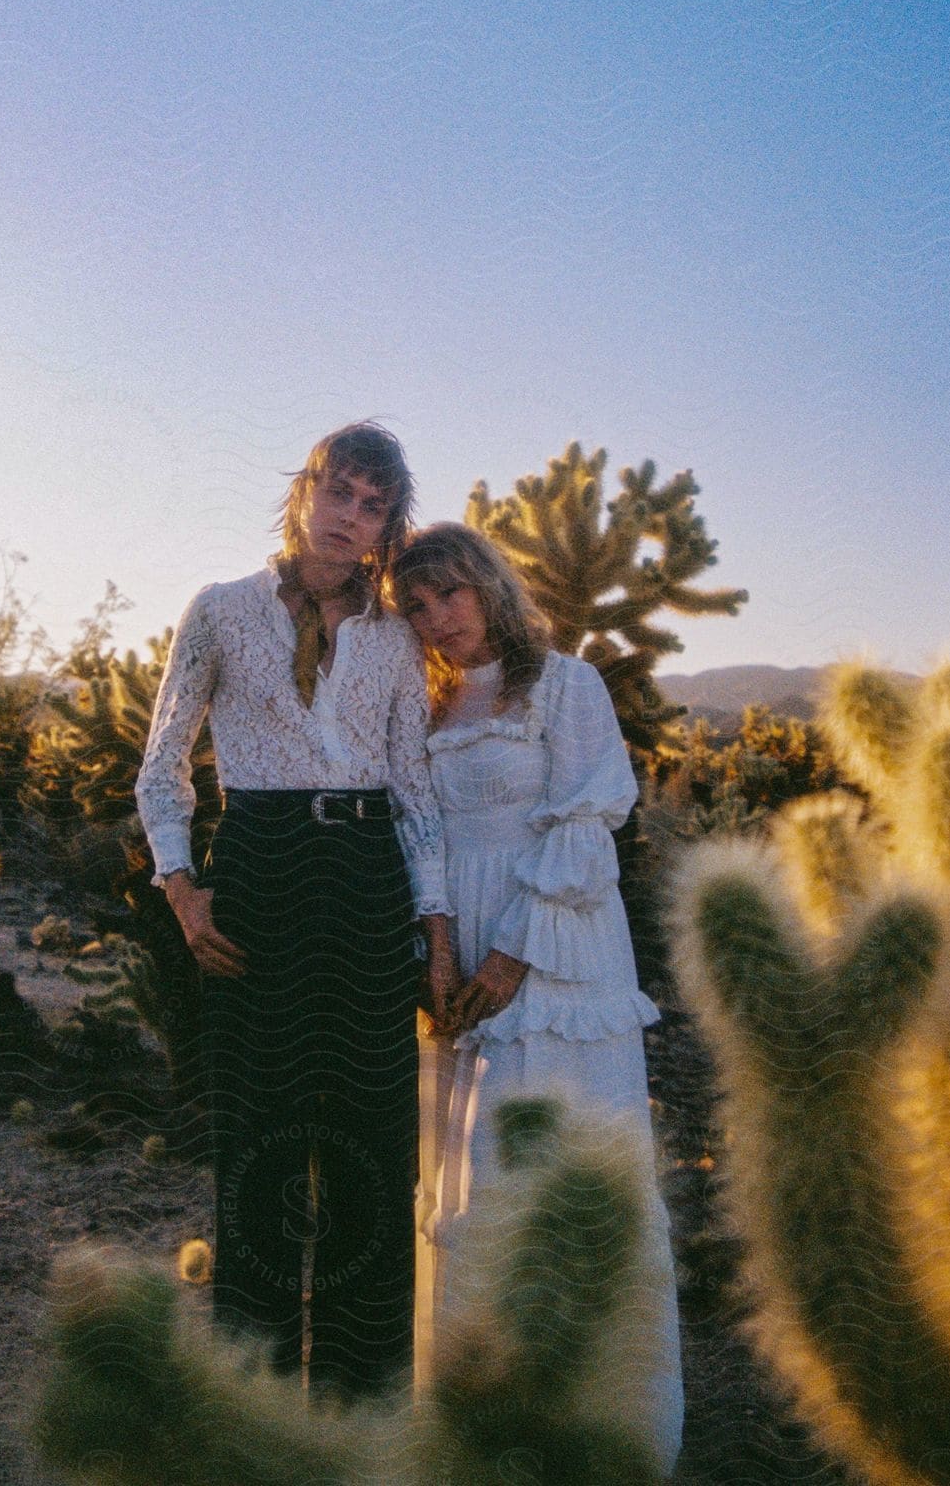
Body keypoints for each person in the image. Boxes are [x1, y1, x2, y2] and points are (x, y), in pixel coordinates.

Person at [135, 423, 447, 1402]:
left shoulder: (395, 639)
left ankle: (360, 1411)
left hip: (365, 876)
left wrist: (434, 927)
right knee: (258, 1146)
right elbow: (162, 762)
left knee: (370, 1147)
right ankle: (252, 1407)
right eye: (339, 493)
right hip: (258, 873)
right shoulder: (220, 613)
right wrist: (183, 891)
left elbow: (412, 787)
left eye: (373, 506)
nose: (351, 519)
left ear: (386, 524)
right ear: (304, 492)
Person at [391, 522, 683, 1473]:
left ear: (488, 585)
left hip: (555, 945)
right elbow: (420, 832)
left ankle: (599, 1421)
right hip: (460, 950)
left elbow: (587, 820)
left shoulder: (566, 685)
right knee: (474, 1170)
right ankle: (484, 1421)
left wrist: (509, 960)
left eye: (452, 595)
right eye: (419, 606)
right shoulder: (424, 705)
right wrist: (439, 950)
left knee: (553, 1153)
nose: (439, 620)